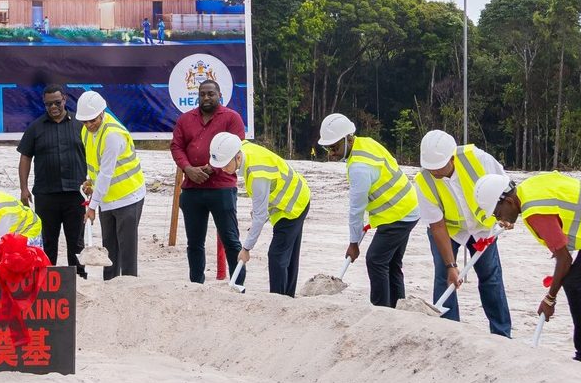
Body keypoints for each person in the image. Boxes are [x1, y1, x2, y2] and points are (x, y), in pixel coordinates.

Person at [478, 172, 581, 364]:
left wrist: (550, 299)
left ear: (508, 201)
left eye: (497, 214)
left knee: (576, 286)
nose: (499, 219)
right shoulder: (530, 187)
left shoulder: (535, 212)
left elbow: (564, 260)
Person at [415, 129, 512, 336]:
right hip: (448, 231)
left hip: (481, 228)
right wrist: (451, 265)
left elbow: (506, 188)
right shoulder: (423, 181)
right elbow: (437, 226)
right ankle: (449, 332)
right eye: (429, 167)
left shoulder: (478, 159)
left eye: (438, 167)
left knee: (490, 277)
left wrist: (507, 216)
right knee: (444, 277)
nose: (434, 172)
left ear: (451, 158)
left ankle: (501, 333)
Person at [318, 113, 418, 308]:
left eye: (335, 147)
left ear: (348, 139)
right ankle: (398, 309)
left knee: (375, 260)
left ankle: (381, 312)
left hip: (398, 214)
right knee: (392, 264)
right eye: (327, 148)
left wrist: (353, 243)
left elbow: (356, 210)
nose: (331, 153)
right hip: (406, 207)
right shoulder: (366, 143)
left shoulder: (359, 168)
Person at [209, 132, 311, 296]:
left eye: (225, 164)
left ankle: (278, 300)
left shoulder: (257, 174)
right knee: (287, 254)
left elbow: (260, 215)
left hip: (293, 205)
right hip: (288, 200)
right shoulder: (241, 147)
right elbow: (260, 208)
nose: (222, 169)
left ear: (238, 158)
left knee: (277, 255)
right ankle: (287, 297)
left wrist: (246, 248)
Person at [169, 78, 246, 284]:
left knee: (231, 240)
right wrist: (188, 169)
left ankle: (238, 286)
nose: (206, 98)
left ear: (220, 95)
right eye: (202, 94)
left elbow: (236, 147)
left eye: (211, 94)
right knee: (194, 243)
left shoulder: (231, 118)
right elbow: (176, 147)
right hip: (192, 189)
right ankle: (196, 285)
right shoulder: (185, 119)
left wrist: (211, 168)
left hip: (222, 188)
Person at [15, 82, 88, 278]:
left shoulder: (80, 125)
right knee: (47, 243)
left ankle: (79, 281)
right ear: (44, 104)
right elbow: (25, 157)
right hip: (46, 195)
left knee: (77, 244)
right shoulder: (35, 127)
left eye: (57, 102)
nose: (53, 108)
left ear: (64, 99)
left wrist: (93, 185)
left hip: (76, 194)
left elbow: (93, 155)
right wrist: (24, 188)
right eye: (49, 105)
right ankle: (45, 282)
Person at [77, 90, 145, 279]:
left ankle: (131, 288)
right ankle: (110, 288)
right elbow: (94, 164)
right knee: (109, 248)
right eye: (85, 121)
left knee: (127, 250)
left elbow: (106, 174)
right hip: (107, 198)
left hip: (128, 196)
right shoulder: (86, 132)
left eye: (93, 120)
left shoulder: (112, 136)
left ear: (102, 113)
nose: (89, 125)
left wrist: (91, 206)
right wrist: (90, 181)